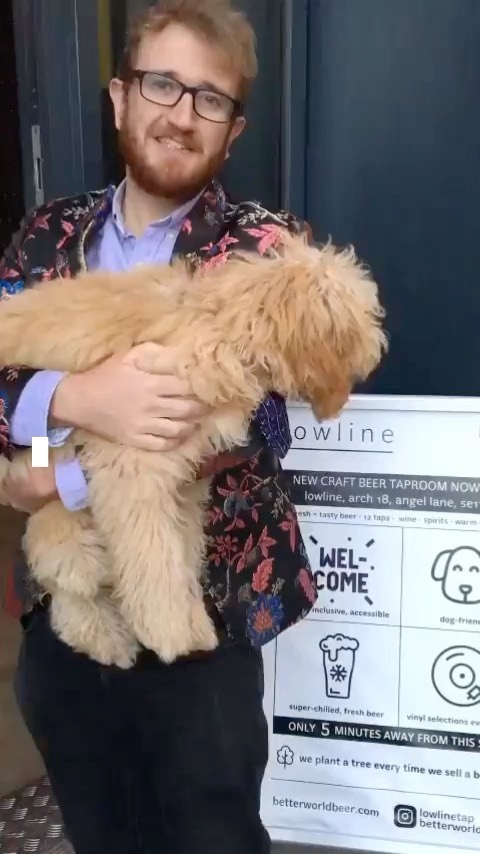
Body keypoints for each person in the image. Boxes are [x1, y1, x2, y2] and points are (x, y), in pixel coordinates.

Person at [0, 2, 318, 852]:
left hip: (203, 626)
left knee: (213, 835)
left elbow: (263, 424)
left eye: (209, 98)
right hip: (68, 614)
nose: (181, 114)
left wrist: (65, 477)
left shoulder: (267, 250)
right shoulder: (45, 236)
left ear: (233, 129)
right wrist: (75, 399)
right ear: (119, 97)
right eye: (162, 84)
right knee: (102, 830)